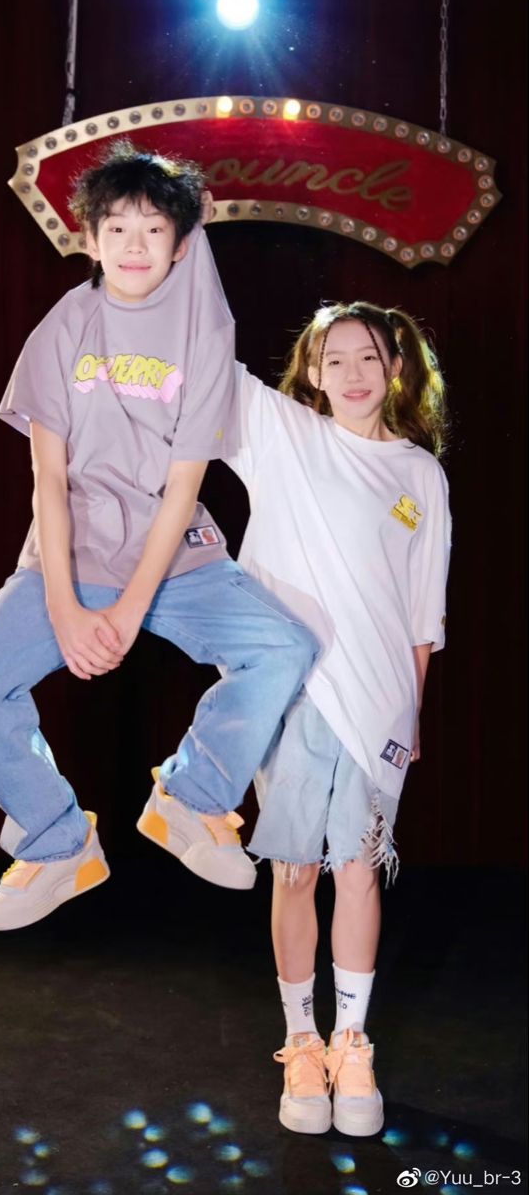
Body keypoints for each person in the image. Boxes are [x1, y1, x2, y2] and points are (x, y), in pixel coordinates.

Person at [0, 141, 317, 932]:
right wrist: (71, 609)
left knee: (282, 647)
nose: (135, 245)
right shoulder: (64, 327)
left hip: (175, 559)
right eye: (117, 228)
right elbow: (47, 480)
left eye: (154, 229)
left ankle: (191, 797)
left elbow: (186, 487)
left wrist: (125, 611)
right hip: (70, 557)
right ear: (89, 239)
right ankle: (55, 837)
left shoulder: (204, 334)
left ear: (182, 243)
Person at [226, 302, 451, 1137]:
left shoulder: (419, 476)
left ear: (396, 367)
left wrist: (411, 709)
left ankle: (353, 1041)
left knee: (357, 868)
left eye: (370, 357)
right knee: (294, 871)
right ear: (311, 374)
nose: (354, 374)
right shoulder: (283, 436)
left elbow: (424, 613)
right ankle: (303, 1043)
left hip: (376, 698)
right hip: (287, 693)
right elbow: (212, 360)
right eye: (336, 360)